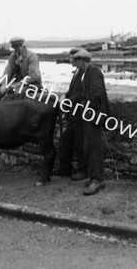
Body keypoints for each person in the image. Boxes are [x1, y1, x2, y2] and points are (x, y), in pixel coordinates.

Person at [73, 48, 110, 196]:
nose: (76, 65)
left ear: (83, 61)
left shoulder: (94, 73)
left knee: (92, 146)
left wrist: (87, 110)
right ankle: (98, 179)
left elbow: (95, 96)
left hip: (95, 115)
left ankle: (96, 180)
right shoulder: (87, 73)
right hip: (91, 114)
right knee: (90, 146)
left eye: (77, 62)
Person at [57, 48, 87, 179]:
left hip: (80, 115)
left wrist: (68, 101)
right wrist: (64, 95)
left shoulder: (85, 73)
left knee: (81, 144)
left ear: (78, 59)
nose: (70, 60)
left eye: (71, 58)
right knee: (65, 141)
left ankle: (83, 171)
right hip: (72, 115)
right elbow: (72, 91)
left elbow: (82, 94)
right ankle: (64, 170)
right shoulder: (77, 73)